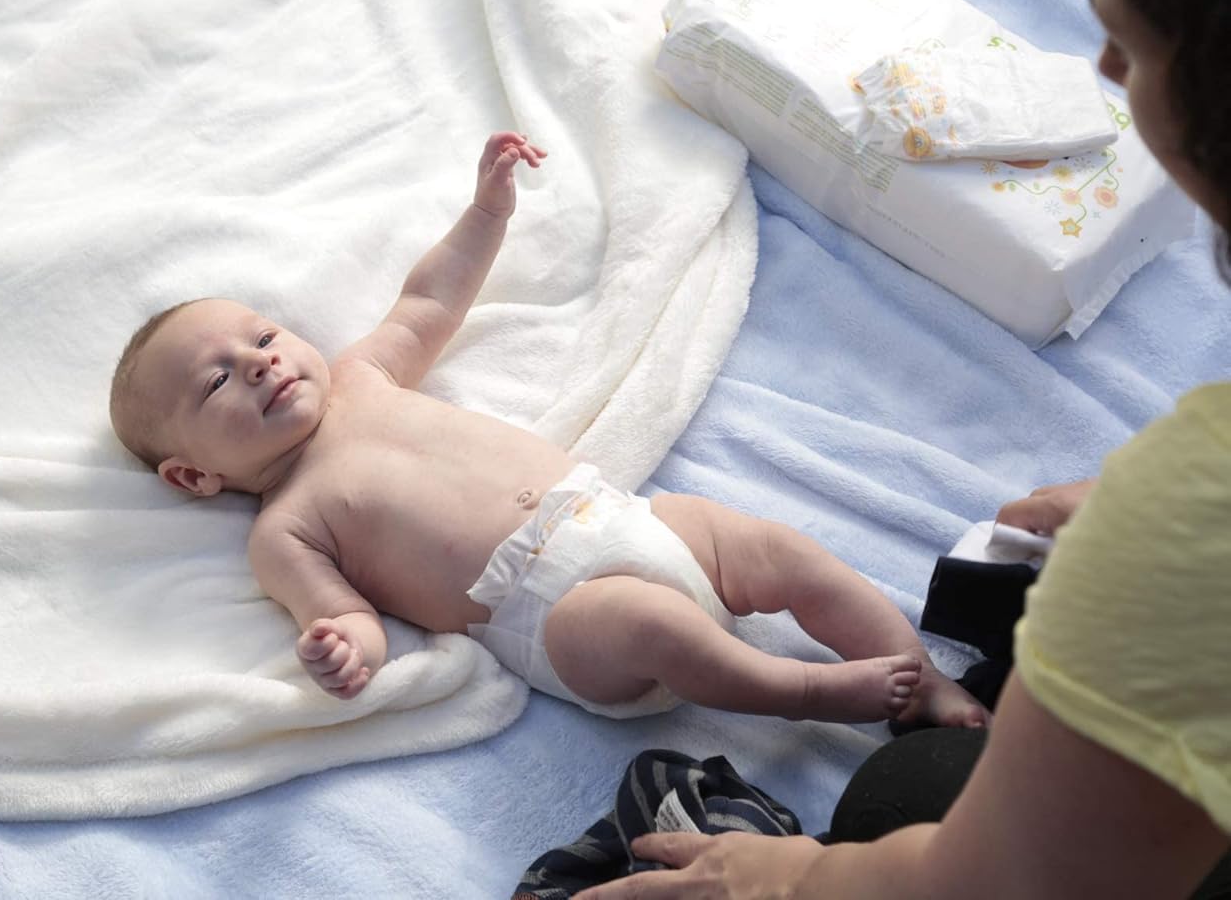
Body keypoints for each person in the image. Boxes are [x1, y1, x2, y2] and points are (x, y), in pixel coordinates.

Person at [577, 0, 1231, 896]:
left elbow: (990, 883)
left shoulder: (1188, 530)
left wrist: (783, 877)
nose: (1100, 66)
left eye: (1133, 44)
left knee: (904, 798)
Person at [109, 130, 988, 729]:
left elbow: (429, 302)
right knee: (658, 623)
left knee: (777, 549)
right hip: (555, 617)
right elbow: (345, 613)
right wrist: (347, 652)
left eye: (262, 337)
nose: (258, 364)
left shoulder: (360, 376)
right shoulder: (285, 529)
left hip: (620, 517)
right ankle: (809, 693)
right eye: (216, 380)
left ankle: (923, 680)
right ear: (192, 475)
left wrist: (488, 211)